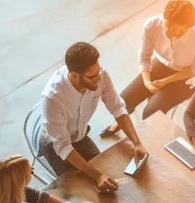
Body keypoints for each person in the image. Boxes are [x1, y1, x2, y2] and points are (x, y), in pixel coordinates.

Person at [39, 42, 148, 192]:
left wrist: (136, 142)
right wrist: (98, 176)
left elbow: (117, 107)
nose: (98, 78)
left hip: (79, 135)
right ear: (74, 75)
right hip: (55, 145)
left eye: (98, 71)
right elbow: (63, 146)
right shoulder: (53, 97)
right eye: (92, 76)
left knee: (108, 177)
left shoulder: (100, 75)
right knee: (80, 191)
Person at [100, 0, 195, 137]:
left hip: (185, 77)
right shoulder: (152, 24)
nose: (168, 31)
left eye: (174, 29)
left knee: (151, 112)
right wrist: (146, 81)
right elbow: (144, 55)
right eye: (167, 25)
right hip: (162, 64)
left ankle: (148, 137)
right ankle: (123, 120)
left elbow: (194, 70)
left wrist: (164, 81)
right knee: (122, 101)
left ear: (185, 27)